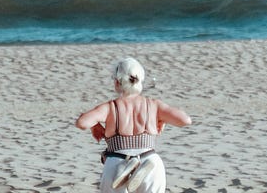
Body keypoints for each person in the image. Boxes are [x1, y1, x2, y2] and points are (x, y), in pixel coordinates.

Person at [74, 57, 192, 193]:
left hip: (117, 160)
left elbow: (81, 123)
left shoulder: (110, 107)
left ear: (117, 82)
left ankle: (129, 165)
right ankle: (138, 164)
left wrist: (95, 126)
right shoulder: (154, 105)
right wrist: (162, 119)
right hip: (150, 159)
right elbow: (185, 120)